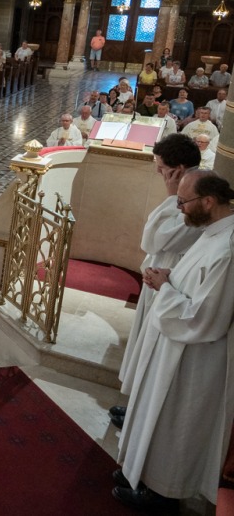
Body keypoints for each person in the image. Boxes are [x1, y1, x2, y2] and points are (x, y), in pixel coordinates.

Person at [115, 171, 234, 511]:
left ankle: (161, 497)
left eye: (184, 202)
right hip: (175, 345)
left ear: (208, 201)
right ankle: (143, 477)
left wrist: (163, 288)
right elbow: (195, 287)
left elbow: (204, 318)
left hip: (193, 358)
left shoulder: (227, 250)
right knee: (158, 418)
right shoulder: (213, 231)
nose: (180, 208)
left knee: (174, 428)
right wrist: (170, 277)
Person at [113, 134, 202, 429]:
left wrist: (172, 193)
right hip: (160, 277)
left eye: (162, 168)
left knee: (152, 350)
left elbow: (152, 239)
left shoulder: (193, 198)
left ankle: (139, 412)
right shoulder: (187, 191)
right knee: (144, 344)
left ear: (178, 170)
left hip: (172, 281)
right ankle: (135, 404)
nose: (158, 172)